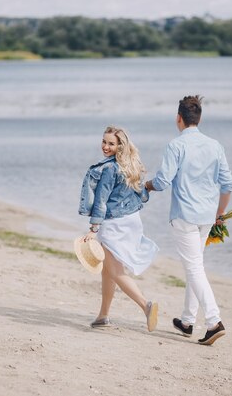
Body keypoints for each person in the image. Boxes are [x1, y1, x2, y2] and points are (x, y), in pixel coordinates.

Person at [145, 95, 232, 345]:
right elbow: (228, 185)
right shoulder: (215, 145)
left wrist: (145, 186)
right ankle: (187, 321)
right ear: (200, 118)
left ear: (178, 118)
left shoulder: (176, 145)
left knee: (194, 268)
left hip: (185, 216)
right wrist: (220, 215)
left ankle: (214, 322)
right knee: (195, 267)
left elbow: (162, 182)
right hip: (207, 217)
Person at [78, 126, 159, 332]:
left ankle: (146, 306)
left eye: (111, 143)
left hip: (113, 224)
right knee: (107, 271)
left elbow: (101, 201)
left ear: (120, 146)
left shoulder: (108, 169)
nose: (105, 146)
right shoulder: (129, 165)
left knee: (115, 270)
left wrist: (94, 229)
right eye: (104, 142)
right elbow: (140, 194)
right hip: (131, 221)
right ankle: (103, 315)